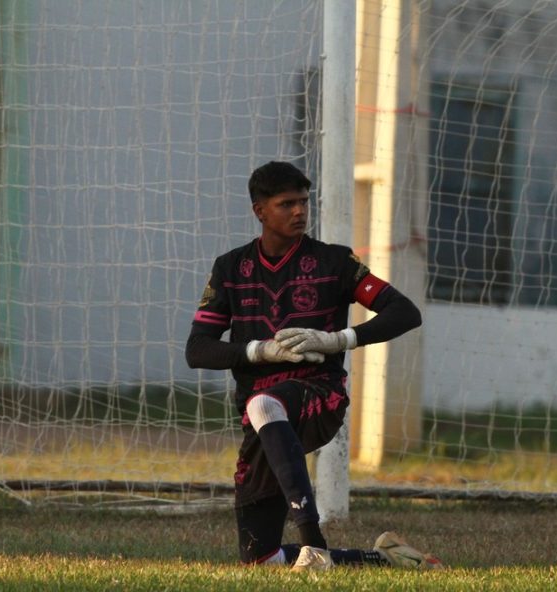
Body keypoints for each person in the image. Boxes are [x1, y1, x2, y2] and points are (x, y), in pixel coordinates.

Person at [185, 161, 441, 571]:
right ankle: (384, 559)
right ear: (260, 211)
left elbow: (405, 312)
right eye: (287, 204)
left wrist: (341, 339)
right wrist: (259, 351)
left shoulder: (335, 262)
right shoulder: (230, 269)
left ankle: (315, 543)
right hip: (262, 417)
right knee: (260, 558)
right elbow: (197, 349)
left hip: (320, 394)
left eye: (304, 201)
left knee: (264, 403)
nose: (300, 211)